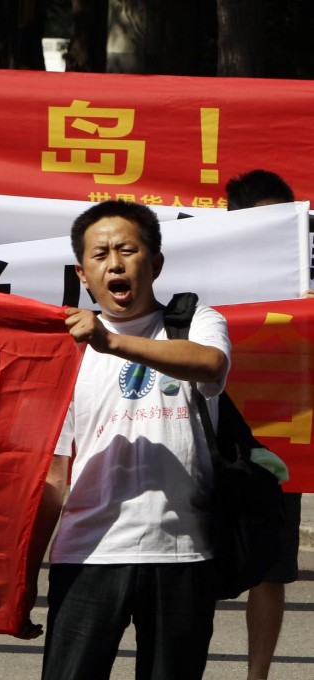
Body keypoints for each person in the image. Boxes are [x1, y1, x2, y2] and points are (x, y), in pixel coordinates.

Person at [23, 199, 231, 679]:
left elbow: (210, 365)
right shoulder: (66, 351)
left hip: (182, 552)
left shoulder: (196, 322)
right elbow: (54, 475)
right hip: (87, 554)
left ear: (155, 263)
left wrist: (111, 342)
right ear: (82, 274)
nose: (114, 264)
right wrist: (26, 575)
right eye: (100, 255)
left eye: (127, 250)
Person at [225, 168, 304, 680]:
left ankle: (258, 675)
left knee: (270, 571)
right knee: (187, 566)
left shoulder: (305, 278)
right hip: (212, 438)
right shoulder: (205, 275)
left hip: (281, 443)